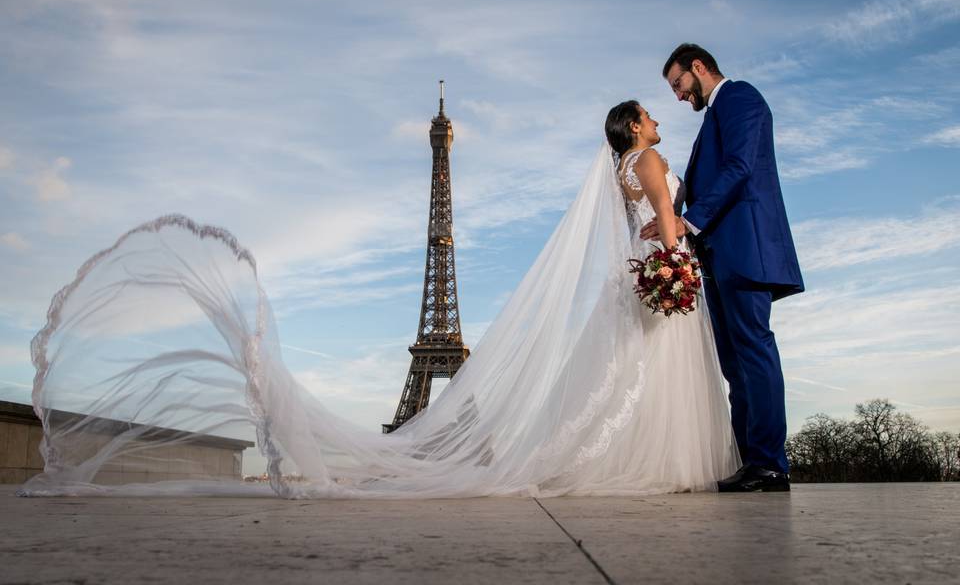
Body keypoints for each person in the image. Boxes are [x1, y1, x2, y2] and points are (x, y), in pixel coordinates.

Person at [19, 100, 738, 499]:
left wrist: (659, 253)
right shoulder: (648, 160)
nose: (656, 114)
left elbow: (634, 222)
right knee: (650, 376)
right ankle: (667, 464)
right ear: (634, 127)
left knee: (632, 377)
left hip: (643, 268)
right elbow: (663, 220)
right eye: (648, 111)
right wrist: (674, 255)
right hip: (661, 261)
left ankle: (643, 462)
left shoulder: (623, 168)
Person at [643, 43, 804, 492]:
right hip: (718, 254)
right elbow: (700, 181)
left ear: (698, 68)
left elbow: (739, 166)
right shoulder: (712, 118)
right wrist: (668, 217)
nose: (677, 96)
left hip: (745, 247)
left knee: (754, 350)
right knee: (734, 364)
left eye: (678, 84)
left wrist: (686, 220)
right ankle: (750, 459)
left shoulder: (740, 98)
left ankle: (771, 464)